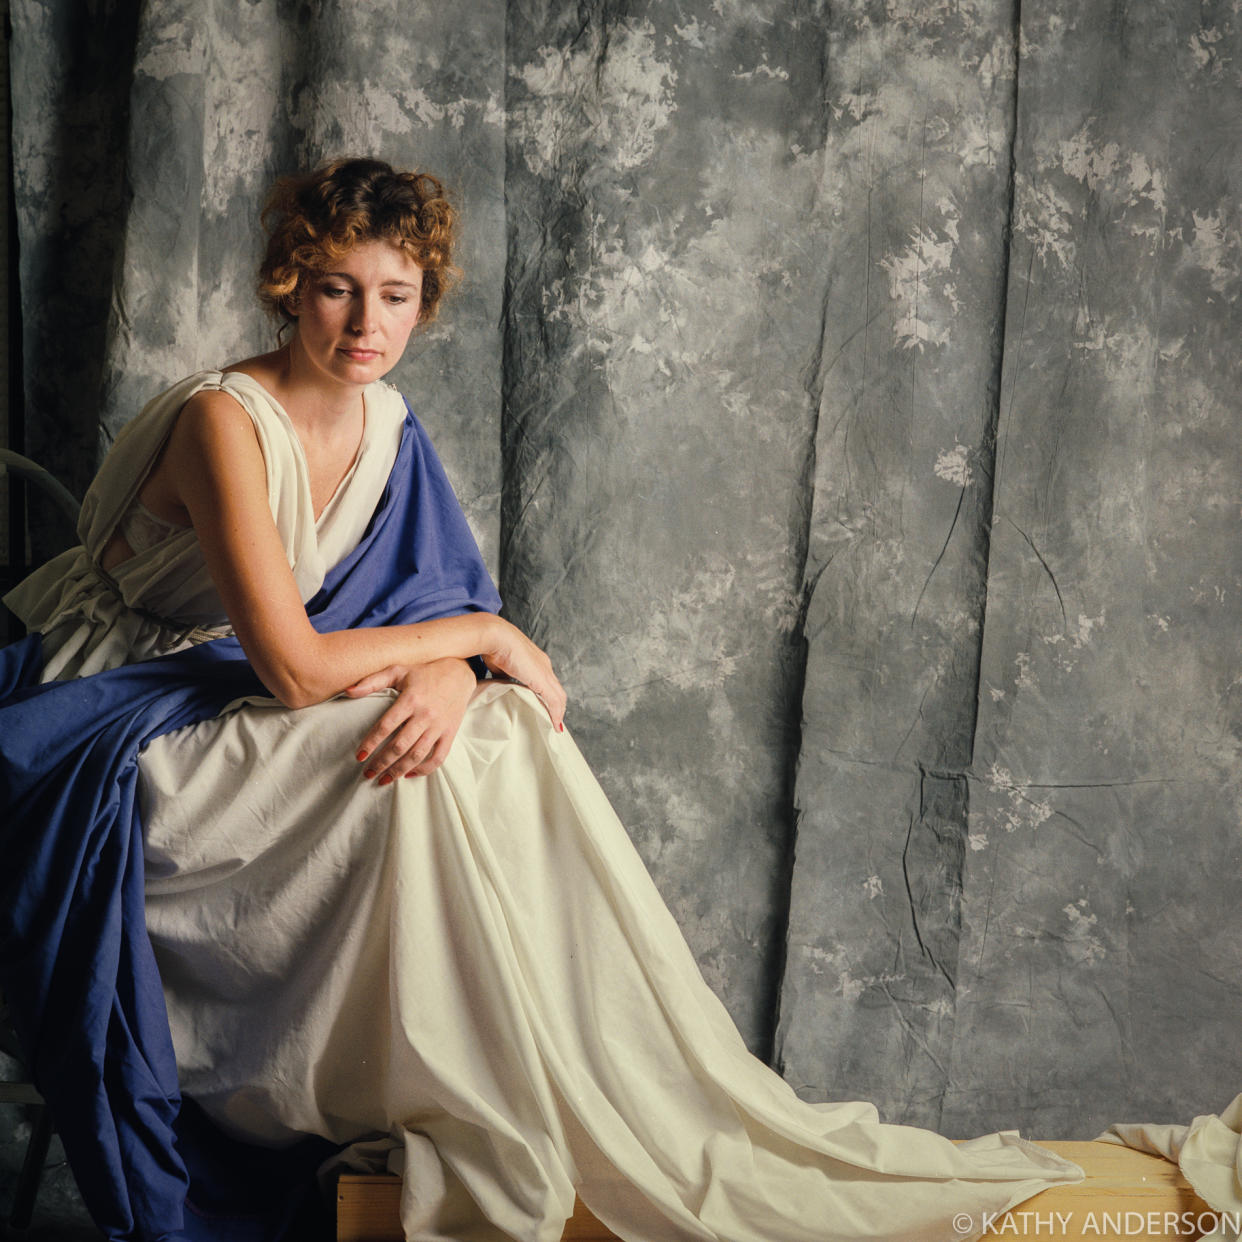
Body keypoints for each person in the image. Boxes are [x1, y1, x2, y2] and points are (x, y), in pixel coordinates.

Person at [0, 157, 1082, 1242]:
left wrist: (451, 669)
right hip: (113, 715)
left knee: (499, 726)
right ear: (289, 284)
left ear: (425, 300)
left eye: (396, 294)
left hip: (236, 691)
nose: (365, 323)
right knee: (409, 779)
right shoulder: (224, 423)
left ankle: (588, 1074)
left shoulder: (383, 422)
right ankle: (445, 1076)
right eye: (336, 287)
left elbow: (415, 599)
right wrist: (477, 639)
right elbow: (297, 667)